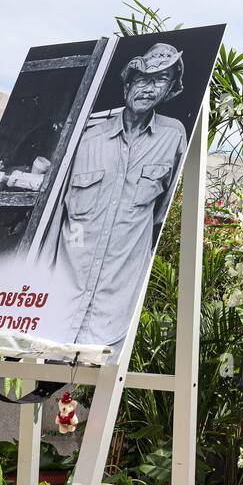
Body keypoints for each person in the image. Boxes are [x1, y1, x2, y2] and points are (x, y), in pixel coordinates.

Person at [52, 43, 188, 350]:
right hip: (60, 301)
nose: (148, 88)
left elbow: (160, 216)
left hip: (115, 311)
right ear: (127, 84)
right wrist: (77, 244)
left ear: (169, 90)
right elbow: (64, 214)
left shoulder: (173, 136)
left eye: (160, 80)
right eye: (141, 79)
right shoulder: (87, 138)